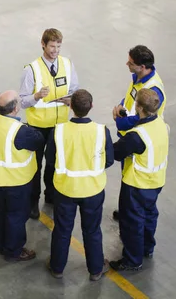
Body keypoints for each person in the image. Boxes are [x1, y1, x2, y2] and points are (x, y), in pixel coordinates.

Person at [43, 89, 114, 280]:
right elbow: (109, 161)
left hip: (65, 189)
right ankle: (96, 269)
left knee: (62, 229)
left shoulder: (58, 131)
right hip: (93, 190)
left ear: (71, 106)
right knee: (92, 230)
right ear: (91, 107)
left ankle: (57, 267)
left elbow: (50, 160)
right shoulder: (102, 131)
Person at [19, 28, 79, 219]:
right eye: (52, 46)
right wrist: (36, 96)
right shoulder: (32, 69)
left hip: (59, 126)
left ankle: (51, 196)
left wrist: (70, 99)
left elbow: (75, 89)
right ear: (43, 44)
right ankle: (32, 202)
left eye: (58, 46)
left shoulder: (67, 65)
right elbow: (22, 101)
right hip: (37, 127)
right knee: (35, 167)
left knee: (54, 164)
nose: (55, 50)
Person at [110, 89, 170, 272]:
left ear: (139, 107)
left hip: (137, 185)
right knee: (150, 215)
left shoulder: (137, 136)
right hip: (156, 181)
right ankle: (147, 248)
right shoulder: (162, 125)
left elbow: (117, 152)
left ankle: (132, 260)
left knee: (131, 222)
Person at [0, 90, 45, 262]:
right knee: (17, 215)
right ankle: (14, 250)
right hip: (17, 181)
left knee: (2, 211)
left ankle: (2, 243)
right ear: (16, 108)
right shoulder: (20, 132)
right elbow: (38, 141)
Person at [111, 45, 166, 221]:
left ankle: (131, 214)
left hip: (140, 140)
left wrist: (119, 120)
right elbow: (129, 98)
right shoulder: (137, 78)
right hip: (130, 136)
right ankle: (125, 209)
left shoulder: (153, 88)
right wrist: (121, 107)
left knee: (134, 181)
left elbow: (138, 119)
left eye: (131, 63)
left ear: (142, 67)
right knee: (126, 174)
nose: (127, 64)